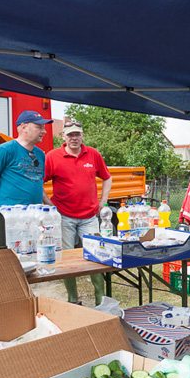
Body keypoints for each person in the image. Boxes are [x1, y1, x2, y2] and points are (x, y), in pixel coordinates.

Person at [44, 120, 111, 306]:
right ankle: (73, 298)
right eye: (70, 134)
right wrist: (51, 207)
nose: (74, 138)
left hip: (89, 217)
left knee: (96, 256)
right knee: (67, 260)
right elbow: (38, 183)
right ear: (63, 137)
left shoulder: (93, 154)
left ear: (82, 135)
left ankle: (101, 298)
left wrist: (102, 202)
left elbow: (107, 178)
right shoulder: (52, 157)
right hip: (64, 216)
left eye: (77, 134)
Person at [0, 110, 53, 206]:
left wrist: (51, 207)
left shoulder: (40, 154)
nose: (44, 131)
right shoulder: (4, 150)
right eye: (39, 127)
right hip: (13, 216)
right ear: (23, 127)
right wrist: (1, 207)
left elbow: (37, 183)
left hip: (35, 215)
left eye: (44, 128)